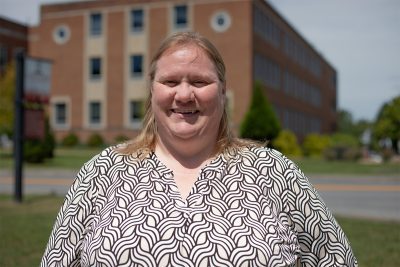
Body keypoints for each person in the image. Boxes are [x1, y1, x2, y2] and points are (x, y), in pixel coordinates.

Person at [41, 31, 358, 267]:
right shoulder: (104, 171)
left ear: (223, 92)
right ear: (151, 92)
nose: (183, 94)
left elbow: (338, 259)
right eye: (170, 82)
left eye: (199, 82)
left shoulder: (273, 172)